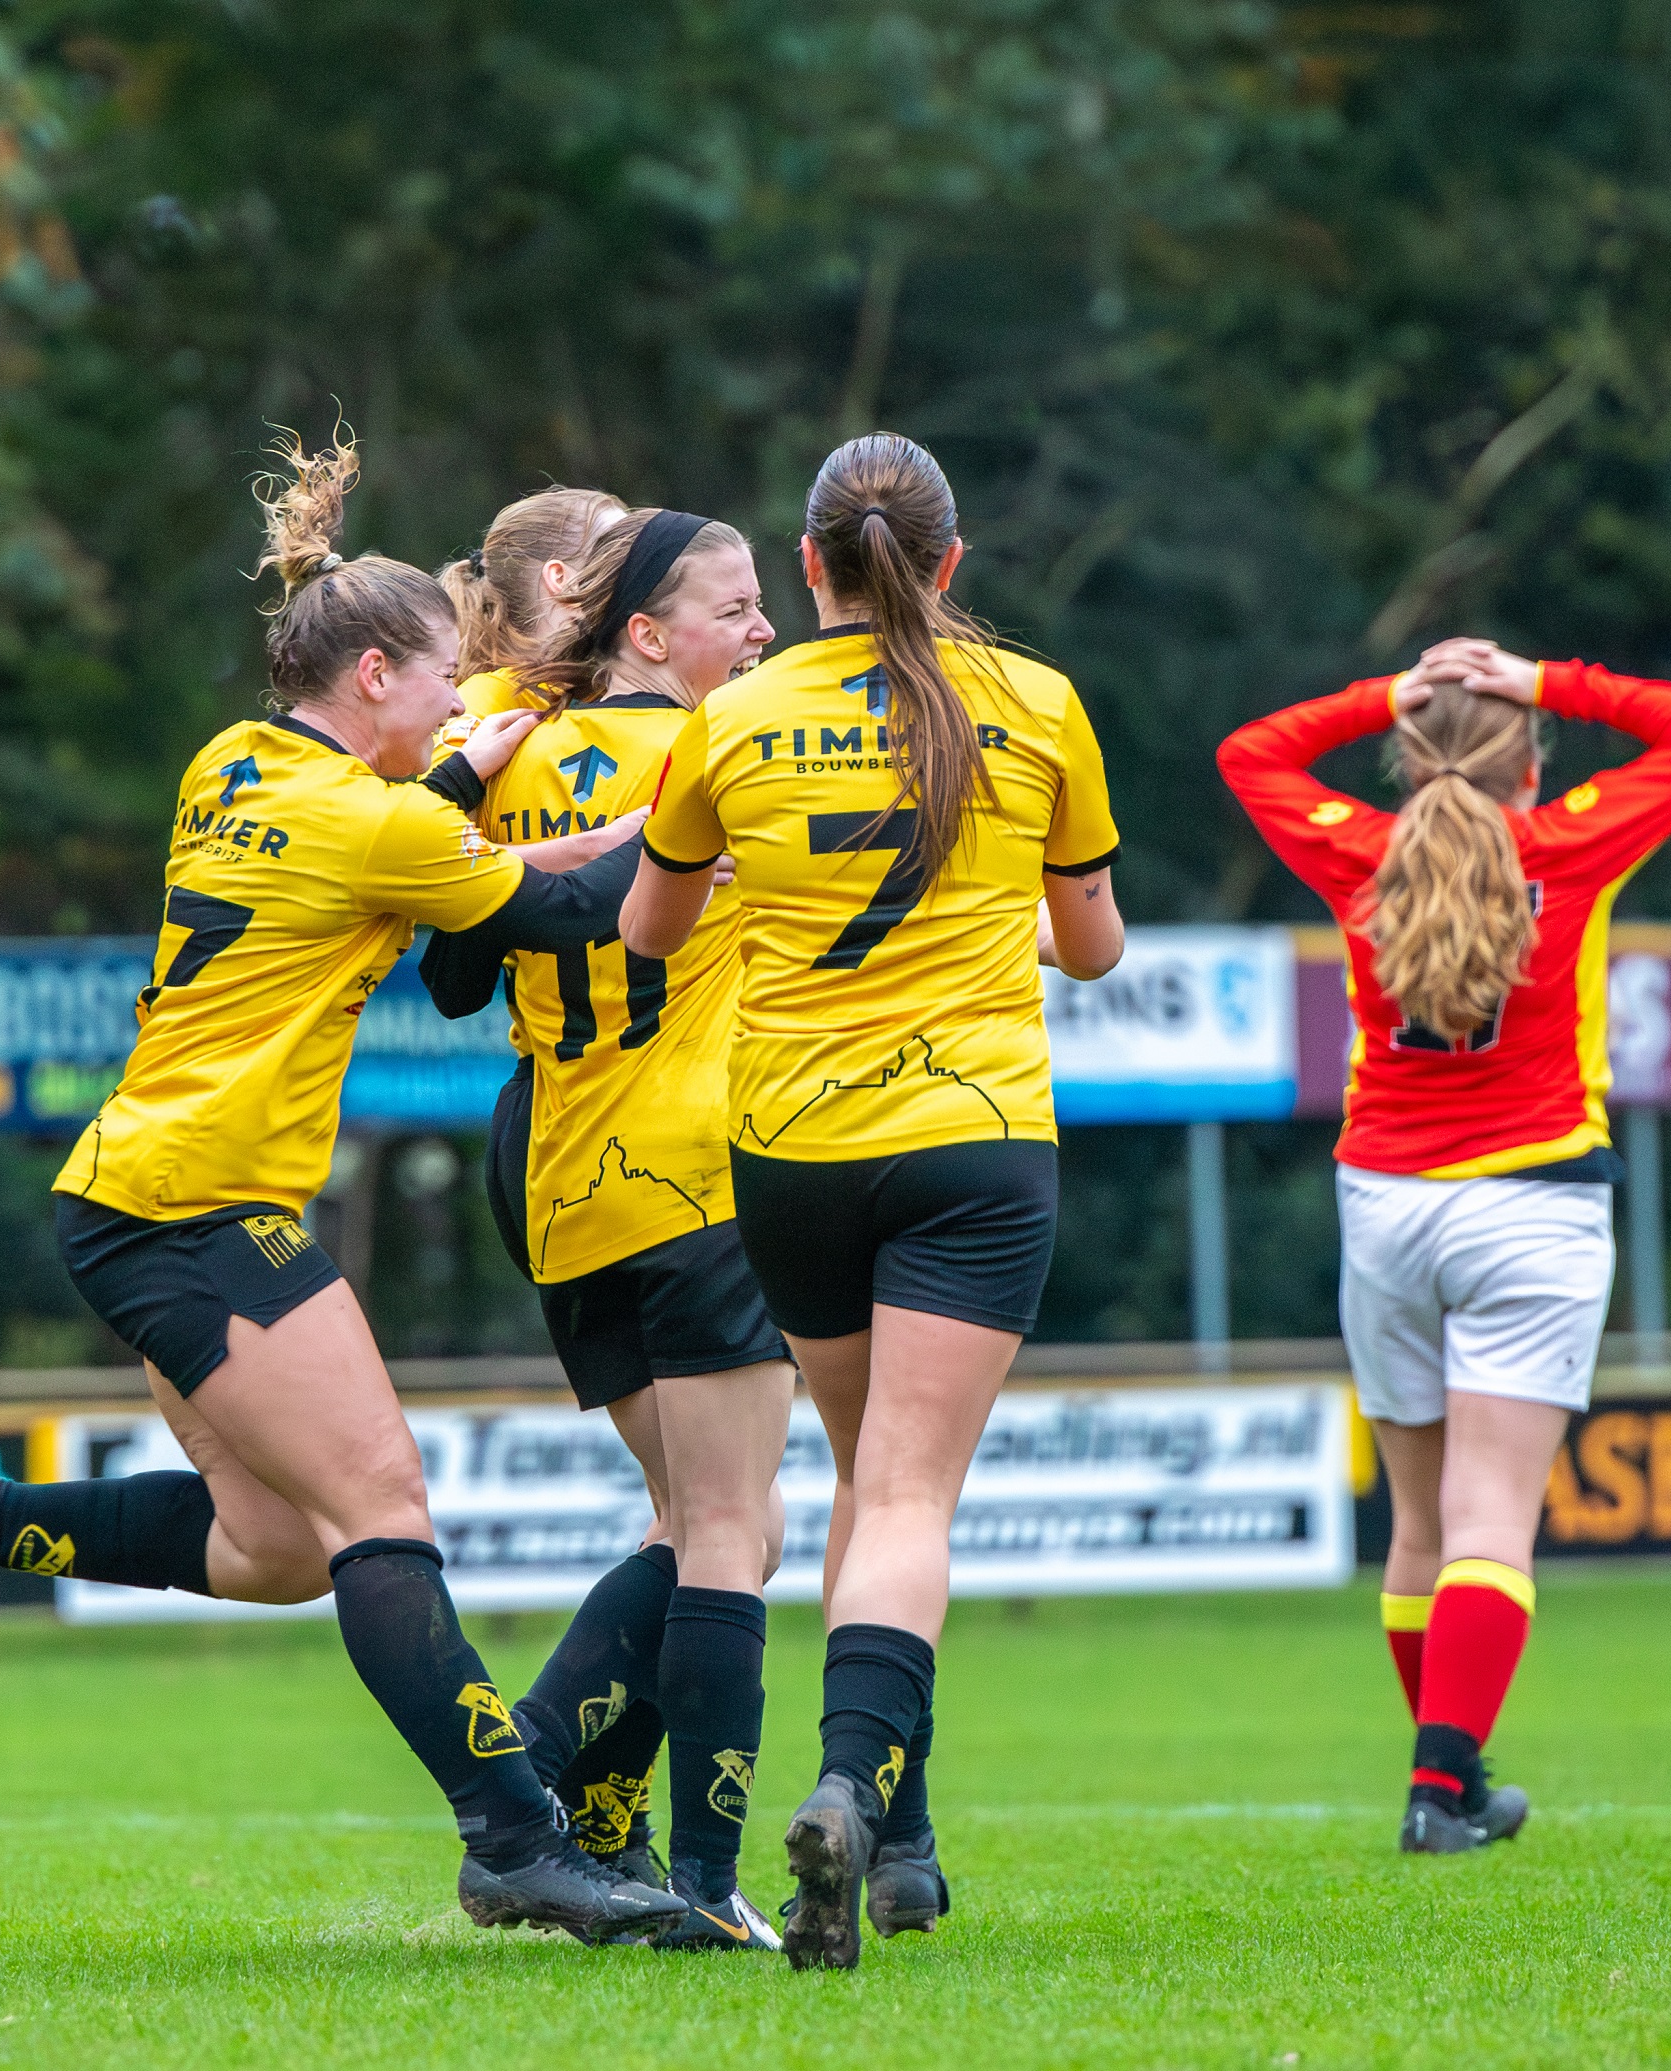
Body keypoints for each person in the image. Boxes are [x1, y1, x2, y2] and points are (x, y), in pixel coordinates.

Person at [0, 432, 684, 1944]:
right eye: (439, 680)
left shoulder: (233, 760)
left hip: (134, 1188)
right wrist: (704, 812)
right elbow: (569, 901)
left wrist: (453, 767)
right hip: (195, 1204)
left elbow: (377, 830)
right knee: (381, 1511)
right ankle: (519, 1838)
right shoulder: (379, 822)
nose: (457, 702)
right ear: (371, 676)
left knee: (281, 1547)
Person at [619, 433, 1126, 1970]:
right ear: (952, 561)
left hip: (792, 1148)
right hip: (974, 1139)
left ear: (809, 564)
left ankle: (898, 1835)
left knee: (862, 1476)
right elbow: (1094, 945)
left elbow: (651, 925)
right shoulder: (1037, 700)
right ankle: (856, 1790)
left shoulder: (734, 713)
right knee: (906, 1497)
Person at [1216, 636, 1671, 1854]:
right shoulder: (1566, 838)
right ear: (1529, 762)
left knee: (1418, 1523)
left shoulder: (1358, 845)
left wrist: (1379, 694)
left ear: (1407, 758)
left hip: (1385, 1203)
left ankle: (1450, 1775)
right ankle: (1440, 1785)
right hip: (1536, 1200)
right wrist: (1548, 678)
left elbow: (1249, 752)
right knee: (1492, 1515)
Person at [420, 507, 792, 1951]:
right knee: (730, 1532)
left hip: (565, 1185)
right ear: (635, 620)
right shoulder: (718, 751)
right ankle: (645, 1842)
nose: (760, 633)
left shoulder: (504, 733)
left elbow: (454, 965)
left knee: (694, 1521)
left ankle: (579, 1814)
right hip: (697, 1169)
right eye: (736, 605)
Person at [435, 485, 625, 748]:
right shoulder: (486, 698)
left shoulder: (607, 689)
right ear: (563, 581)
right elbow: (439, 787)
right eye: (619, 557)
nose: (641, 567)